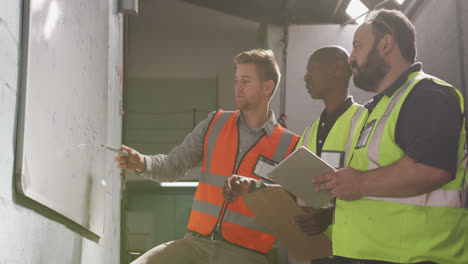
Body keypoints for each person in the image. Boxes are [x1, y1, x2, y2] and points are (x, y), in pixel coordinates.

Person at [115, 49, 299, 264]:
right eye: (236, 80)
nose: (237, 87)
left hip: (246, 255)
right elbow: (174, 165)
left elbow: (293, 206)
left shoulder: (289, 145)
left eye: (245, 81)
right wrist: (142, 163)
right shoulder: (215, 123)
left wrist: (255, 187)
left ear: (267, 87)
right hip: (195, 245)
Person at [312, 9, 468, 264]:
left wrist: (359, 183)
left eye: (357, 46)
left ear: (386, 43)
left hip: (417, 256)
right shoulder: (378, 109)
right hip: (371, 255)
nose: (351, 58)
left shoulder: (427, 94)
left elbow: (431, 169)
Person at [294, 46, 366, 263]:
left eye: (311, 69)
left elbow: (374, 185)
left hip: (356, 249)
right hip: (319, 249)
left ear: (336, 69)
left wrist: (330, 216)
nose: (305, 77)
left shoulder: (364, 121)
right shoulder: (309, 131)